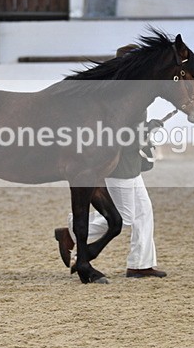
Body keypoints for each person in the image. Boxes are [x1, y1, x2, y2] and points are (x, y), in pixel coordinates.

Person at [54, 45, 167, 279]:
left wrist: (147, 129)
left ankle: (140, 264)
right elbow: (120, 134)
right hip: (119, 165)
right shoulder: (119, 99)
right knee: (124, 218)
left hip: (131, 163)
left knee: (144, 212)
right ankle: (71, 233)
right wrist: (147, 129)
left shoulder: (133, 95)